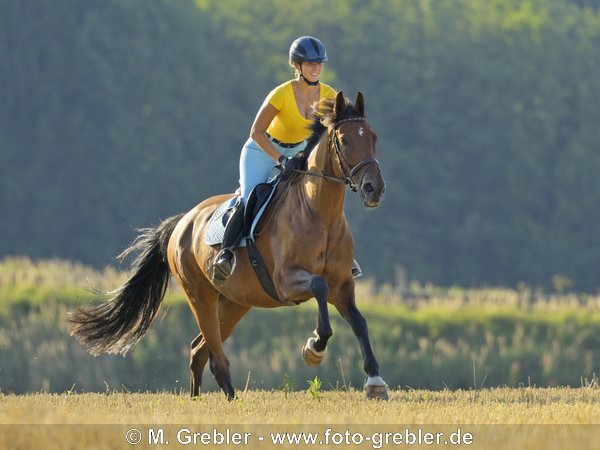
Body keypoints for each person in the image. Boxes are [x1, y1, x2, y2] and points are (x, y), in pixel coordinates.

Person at [212, 36, 360, 285]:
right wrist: (280, 158)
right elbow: (256, 133)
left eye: (319, 64)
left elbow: (340, 130)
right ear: (297, 66)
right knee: (249, 195)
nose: (316, 68)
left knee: (322, 196)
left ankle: (342, 254)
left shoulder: (329, 95)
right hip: (263, 149)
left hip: (300, 152)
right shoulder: (281, 94)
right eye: (310, 64)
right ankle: (226, 253)